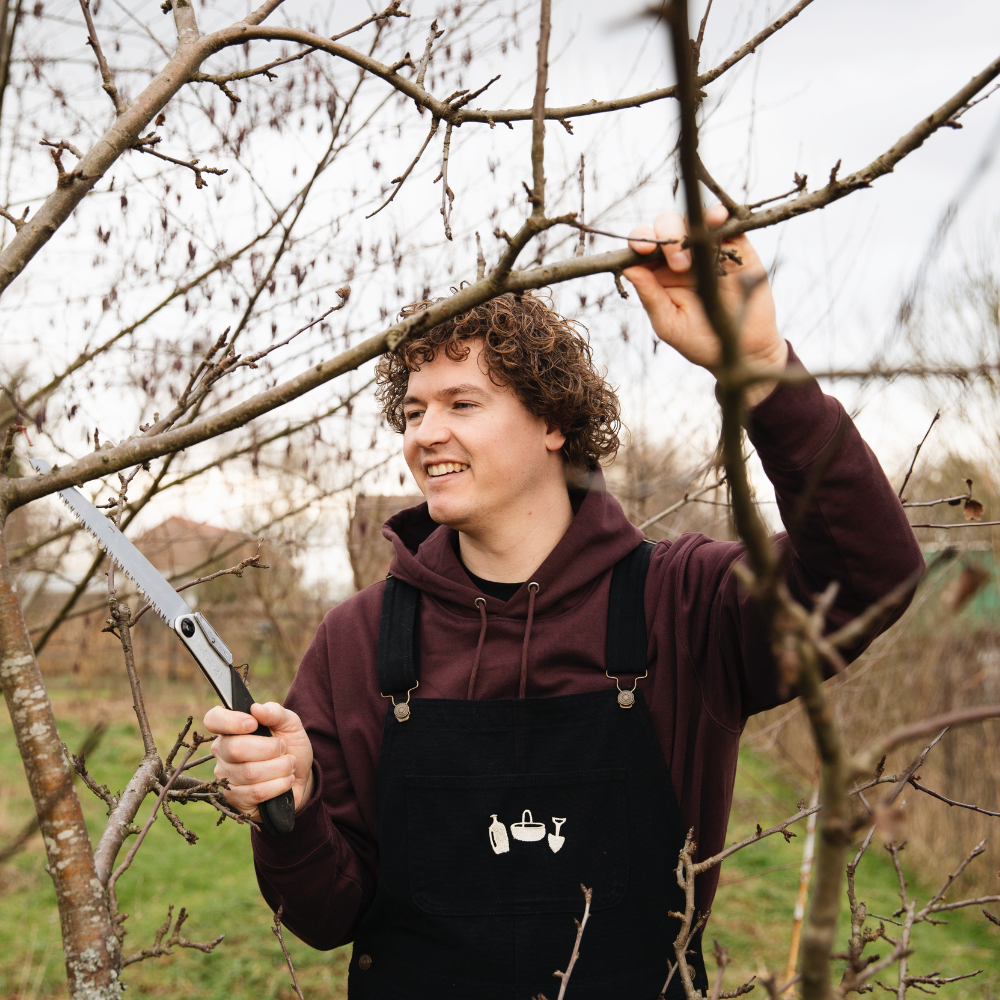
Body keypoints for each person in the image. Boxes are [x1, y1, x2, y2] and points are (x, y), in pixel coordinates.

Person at [204, 206, 924, 999]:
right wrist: (293, 809)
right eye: (414, 412)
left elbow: (870, 578)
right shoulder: (361, 638)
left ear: (552, 421)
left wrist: (759, 367)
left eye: (462, 404)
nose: (423, 435)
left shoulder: (683, 606)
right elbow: (326, 914)